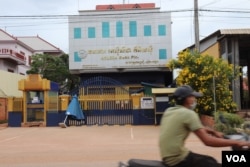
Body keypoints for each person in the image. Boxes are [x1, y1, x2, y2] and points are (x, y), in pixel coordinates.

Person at [159, 85, 250, 167]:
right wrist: (237, 142)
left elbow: (198, 128)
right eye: (193, 97)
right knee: (211, 162)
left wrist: (213, 132)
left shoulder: (169, 111)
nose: (194, 99)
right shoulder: (188, 114)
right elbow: (208, 141)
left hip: (167, 156)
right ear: (187, 99)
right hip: (177, 159)